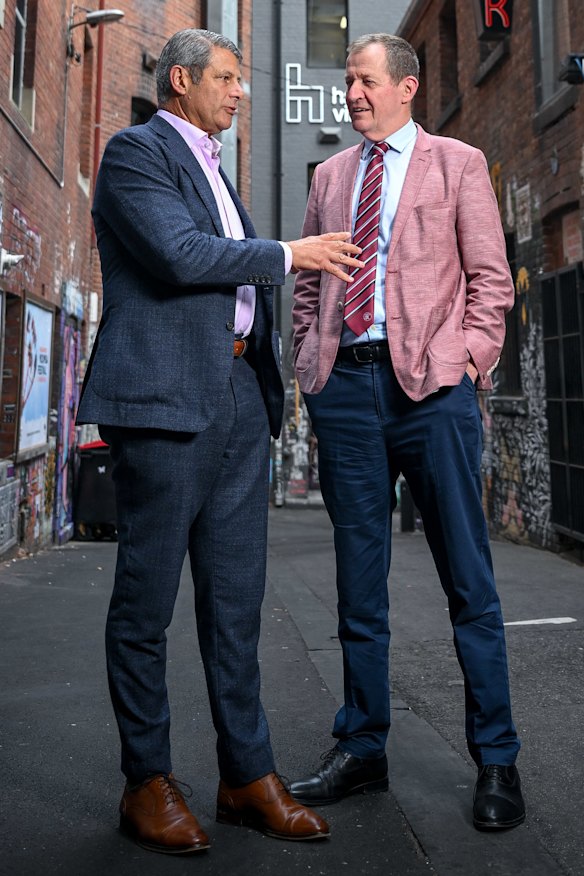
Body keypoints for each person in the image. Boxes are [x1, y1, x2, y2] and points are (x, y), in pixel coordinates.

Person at [77, 27, 364, 855]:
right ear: (180, 81)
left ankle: (246, 776)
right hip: (165, 404)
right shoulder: (135, 154)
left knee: (236, 607)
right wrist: (287, 251)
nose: (242, 92)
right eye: (229, 78)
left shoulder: (214, 166)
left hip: (239, 397)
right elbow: (178, 254)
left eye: (242, 79)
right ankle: (148, 781)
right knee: (146, 604)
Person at [289, 33, 526, 832]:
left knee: (469, 582)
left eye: (362, 81)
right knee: (359, 585)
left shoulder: (457, 163)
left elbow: (491, 281)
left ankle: (497, 759)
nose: (350, 93)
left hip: (433, 394)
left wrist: (467, 358)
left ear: (406, 87)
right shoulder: (329, 174)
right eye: (347, 81)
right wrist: (307, 366)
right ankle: (363, 746)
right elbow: (308, 284)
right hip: (347, 392)